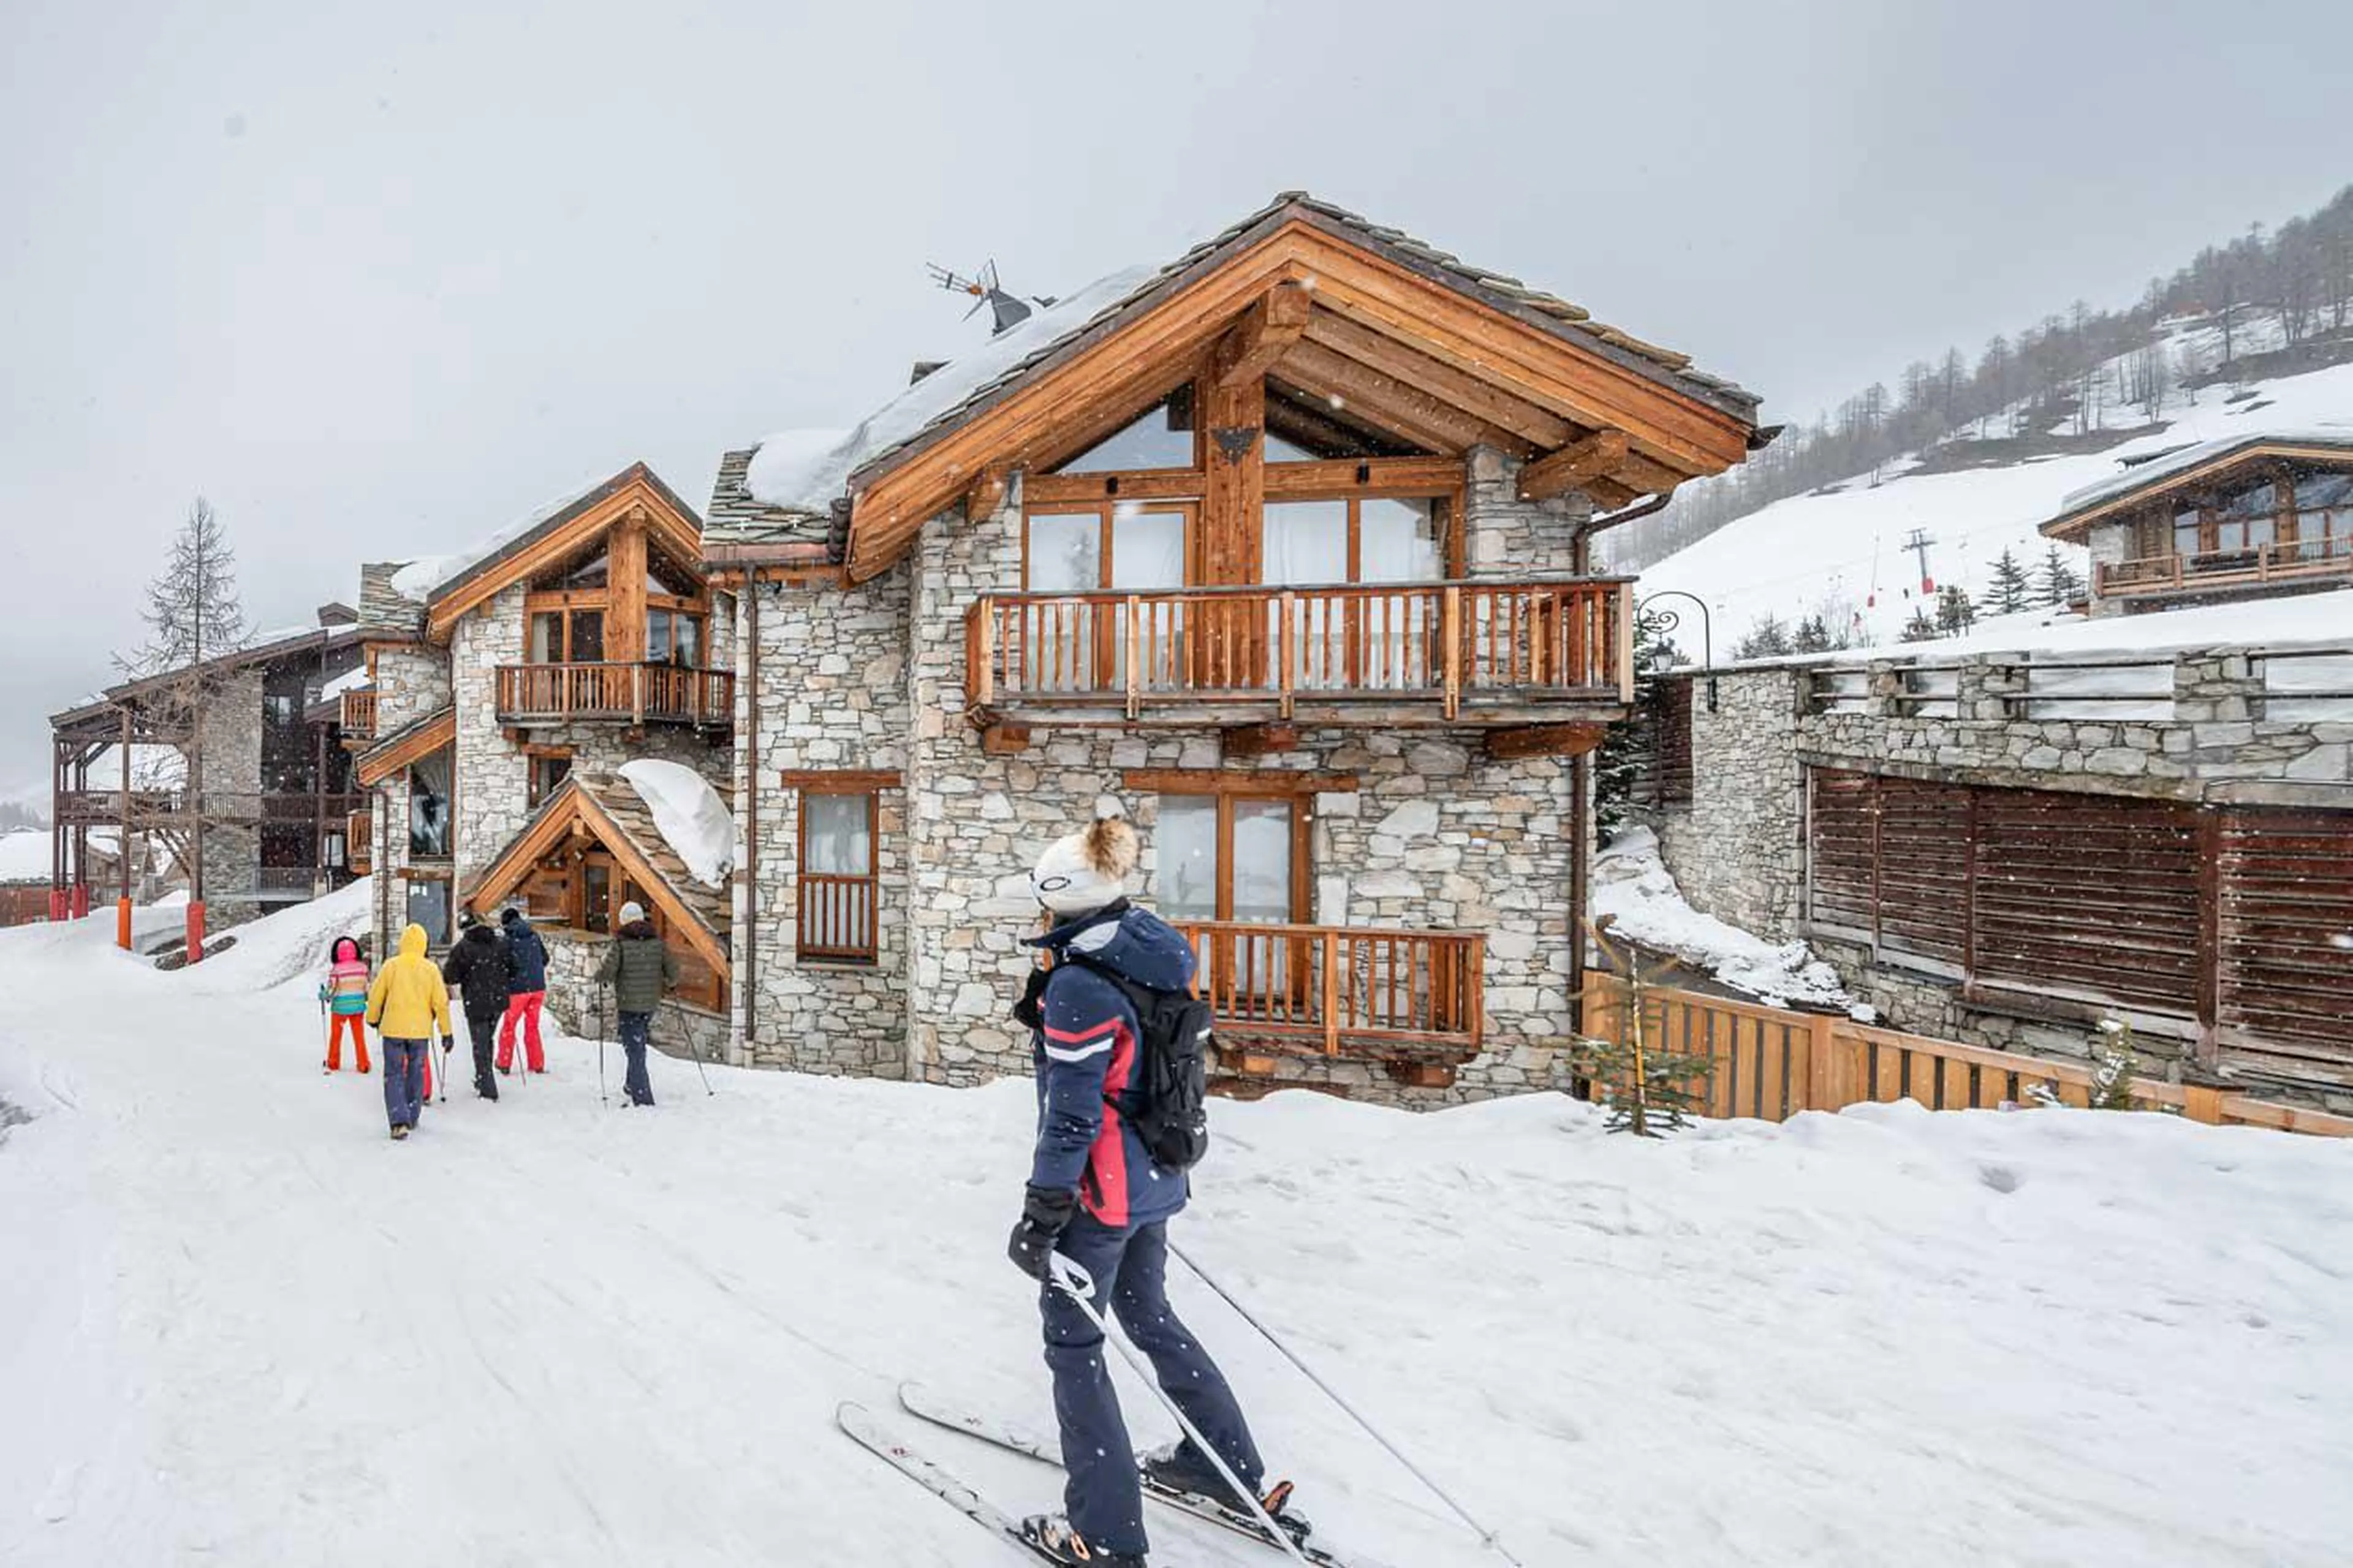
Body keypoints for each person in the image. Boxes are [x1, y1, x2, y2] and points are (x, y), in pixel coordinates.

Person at [1006, 802, 1296, 1568]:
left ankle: (1104, 1536)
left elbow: (1071, 1116)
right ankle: (1223, 1467)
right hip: (1159, 1172)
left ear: (1059, 899)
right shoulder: (1148, 948)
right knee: (1148, 1312)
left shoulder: (1081, 986)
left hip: (1101, 1194)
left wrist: (1043, 1211)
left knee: (1075, 1344)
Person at [366, 922, 452, 1141]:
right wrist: (446, 1032)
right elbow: (441, 1003)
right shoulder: (430, 969)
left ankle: (398, 1120)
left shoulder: (391, 966)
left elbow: (376, 995)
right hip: (419, 1032)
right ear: (424, 944)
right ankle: (412, 1115)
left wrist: (373, 1018)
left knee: (394, 1073)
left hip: (393, 1029)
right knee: (416, 1072)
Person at [597, 900, 675, 1107]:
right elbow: (674, 972)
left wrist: (600, 976)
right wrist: (668, 982)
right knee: (637, 1044)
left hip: (628, 1004)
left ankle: (643, 1097)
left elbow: (608, 971)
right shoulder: (657, 941)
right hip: (649, 1004)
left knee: (635, 1049)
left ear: (623, 920)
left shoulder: (621, 943)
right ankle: (632, 1085)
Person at [441, 912, 513, 1100]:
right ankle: (483, 1080)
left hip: (477, 1001)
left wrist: (466, 974)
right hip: (498, 1000)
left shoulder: (463, 948)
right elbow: (514, 968)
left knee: (480, 1044)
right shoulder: (500, 943)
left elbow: (450, 977)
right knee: (487, 1039)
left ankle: (488, 1088)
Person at [497, 906, 550, 1075]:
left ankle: (504, 1062)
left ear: (506, 924)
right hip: (538, 989)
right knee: (532, 1026)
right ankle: (537, 1063)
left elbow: (503, 966)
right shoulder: (534, 935)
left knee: (509, 1026)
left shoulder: (508, 939)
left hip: (517, 991)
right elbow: (545, 959)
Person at [319, 934, 373, 1074]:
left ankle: (333, 1062)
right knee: (359, 1037)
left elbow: (332, 990)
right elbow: (368, 987)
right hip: (358, 1008)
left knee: (336, 1036)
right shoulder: (363, 968)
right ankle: (363, 1063)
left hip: (340, 1009)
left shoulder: (336, 970)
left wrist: (324, 995)